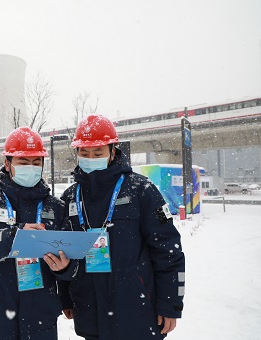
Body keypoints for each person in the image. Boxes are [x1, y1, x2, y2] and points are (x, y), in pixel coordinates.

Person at [58, 114, 185, 340]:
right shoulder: (70, 197)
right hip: (90, 312)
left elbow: (168, 250)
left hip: (137, 312)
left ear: (113, 151)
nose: (90, 158)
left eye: (98, 153)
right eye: (84, 153)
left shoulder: (141, 190)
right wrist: (66, 299)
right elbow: (65, 252)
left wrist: (170, 304)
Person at [0, 126, 78, 340]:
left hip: (40, 320)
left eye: (35, 162)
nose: (30, 168)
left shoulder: (55, 208)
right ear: (8, 163)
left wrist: (65, 267)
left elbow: (72, 259)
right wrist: (15, 237)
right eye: (23, 162)